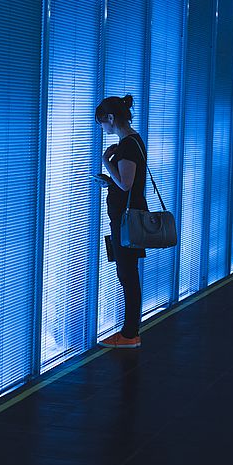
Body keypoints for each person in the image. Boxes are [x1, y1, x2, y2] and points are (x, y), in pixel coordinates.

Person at [95, 94, 147, 348]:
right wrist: (108, 181)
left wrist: (106, 161)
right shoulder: (131, 141)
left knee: (127, 273)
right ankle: (130, 332)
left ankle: (129, 334)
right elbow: (126, 182)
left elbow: (126, 183)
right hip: (127, 216)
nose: (101, 128)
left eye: (101, 122)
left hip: (126, 219)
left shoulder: (127, 145)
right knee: (127, 272)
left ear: (112, 119)